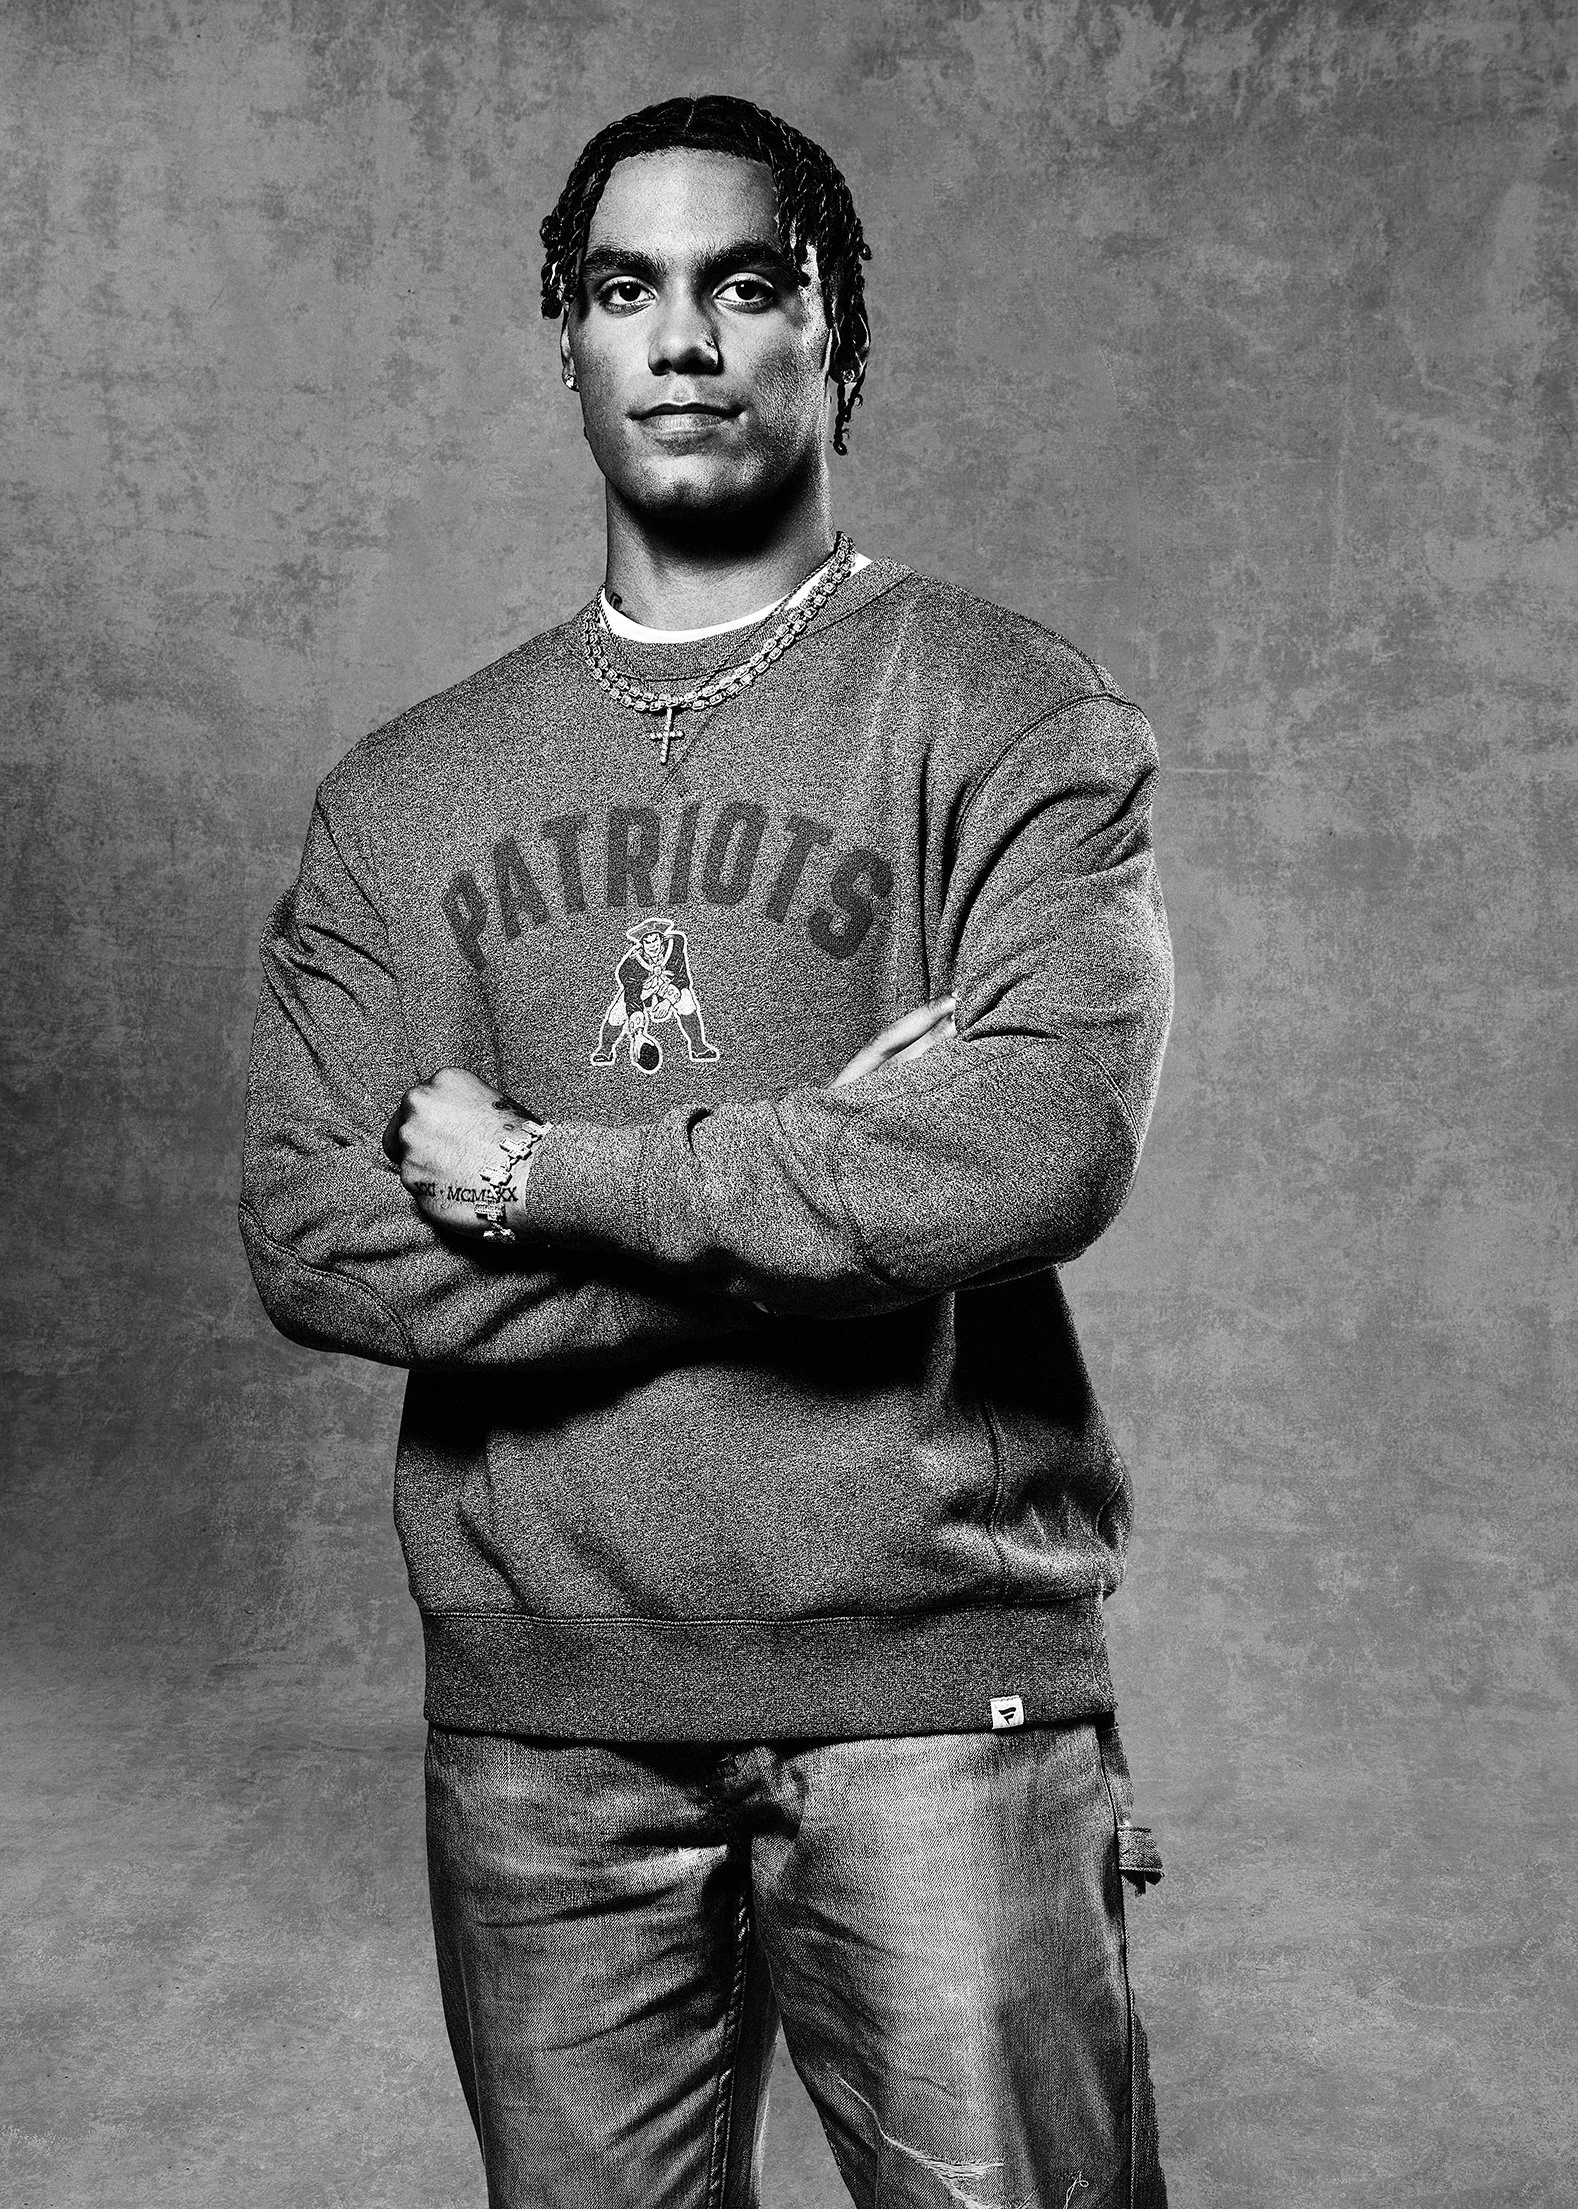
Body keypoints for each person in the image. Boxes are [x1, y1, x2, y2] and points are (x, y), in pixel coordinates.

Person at [240, 91, 1173, 2209]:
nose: (684, 340)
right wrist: (837, 1167)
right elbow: (310, 1232)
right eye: (626, 290)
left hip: (942, 1704)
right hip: (543, 1729)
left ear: (839, 338)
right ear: (563, 338)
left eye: (748, 285)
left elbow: (1029, 1151)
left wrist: (540, 1174)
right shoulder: (407, 797)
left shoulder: (1004, 709)